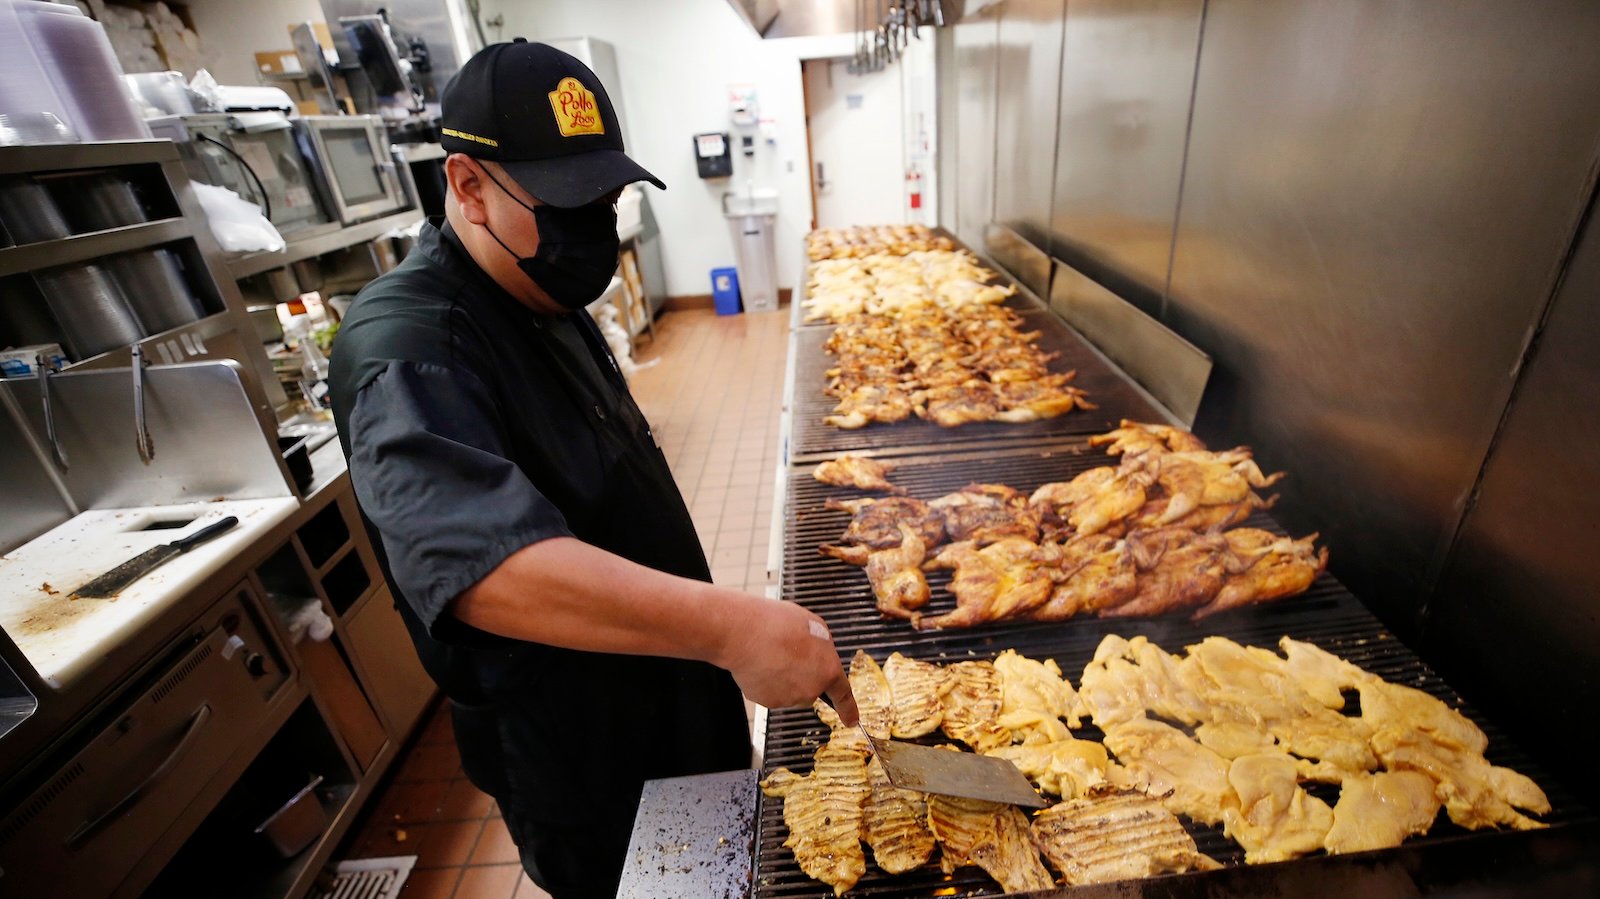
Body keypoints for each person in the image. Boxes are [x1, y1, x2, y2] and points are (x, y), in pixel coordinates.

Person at [328, 40, 858, 899]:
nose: (592, 228)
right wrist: (729, 627)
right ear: (467, 186)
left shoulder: (539, 293)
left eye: (603, 198)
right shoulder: (410, 350)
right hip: (588, 759)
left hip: (676, 703)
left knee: (726, 883)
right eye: (567, 201)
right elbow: (484, 571)